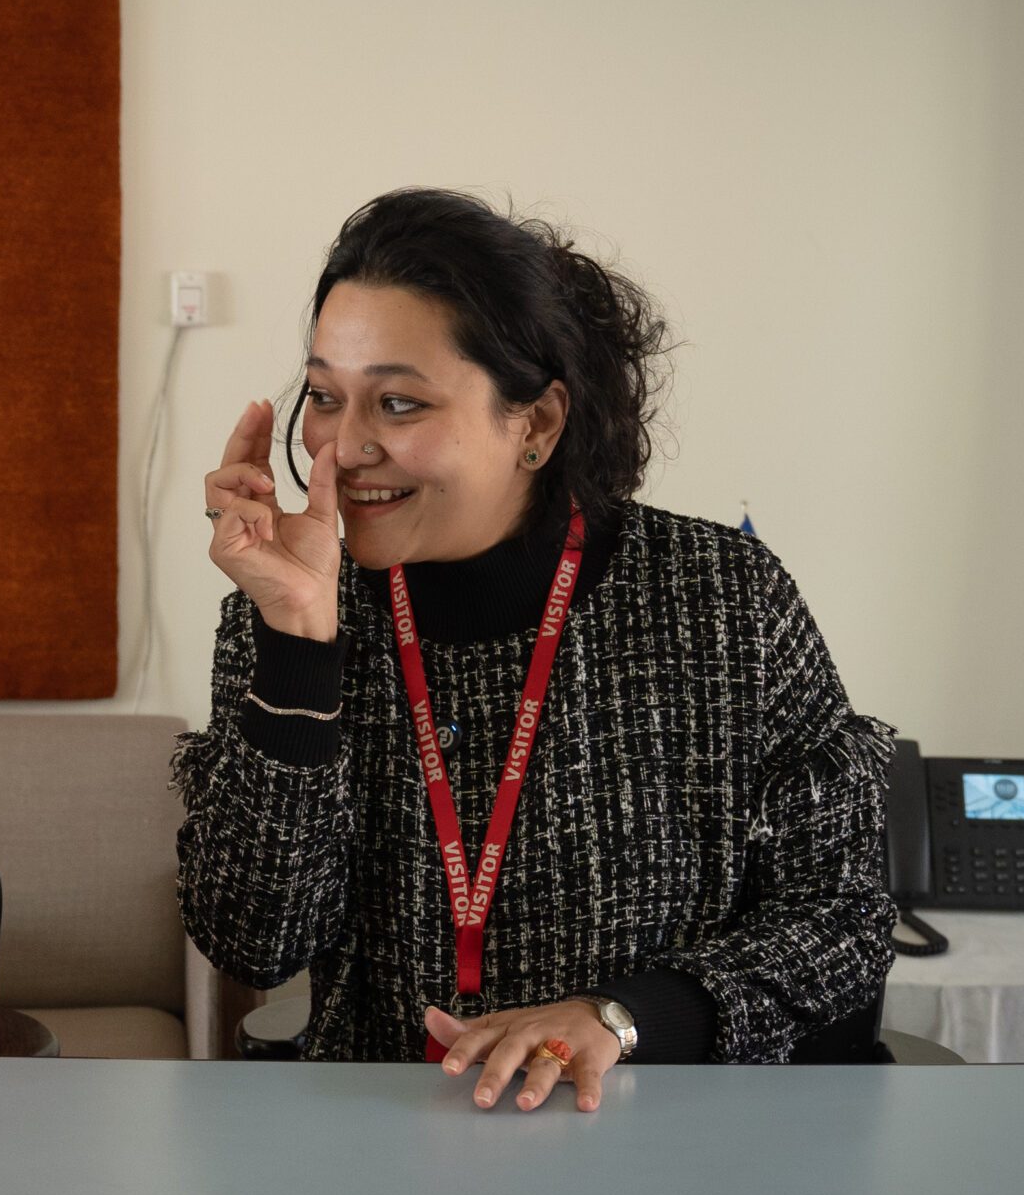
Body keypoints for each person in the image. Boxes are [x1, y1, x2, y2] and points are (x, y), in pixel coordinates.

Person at [176, 188, 895, 1111]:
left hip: (662, 1142)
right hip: (381, 1141)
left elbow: (843, 914)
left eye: (397, 402)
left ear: (538, 425)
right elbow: (253, 939)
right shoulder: (293, 601)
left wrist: (622, 1017)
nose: (341, 446)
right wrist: (299, 645)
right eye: (322, 396)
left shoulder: (721, 597)